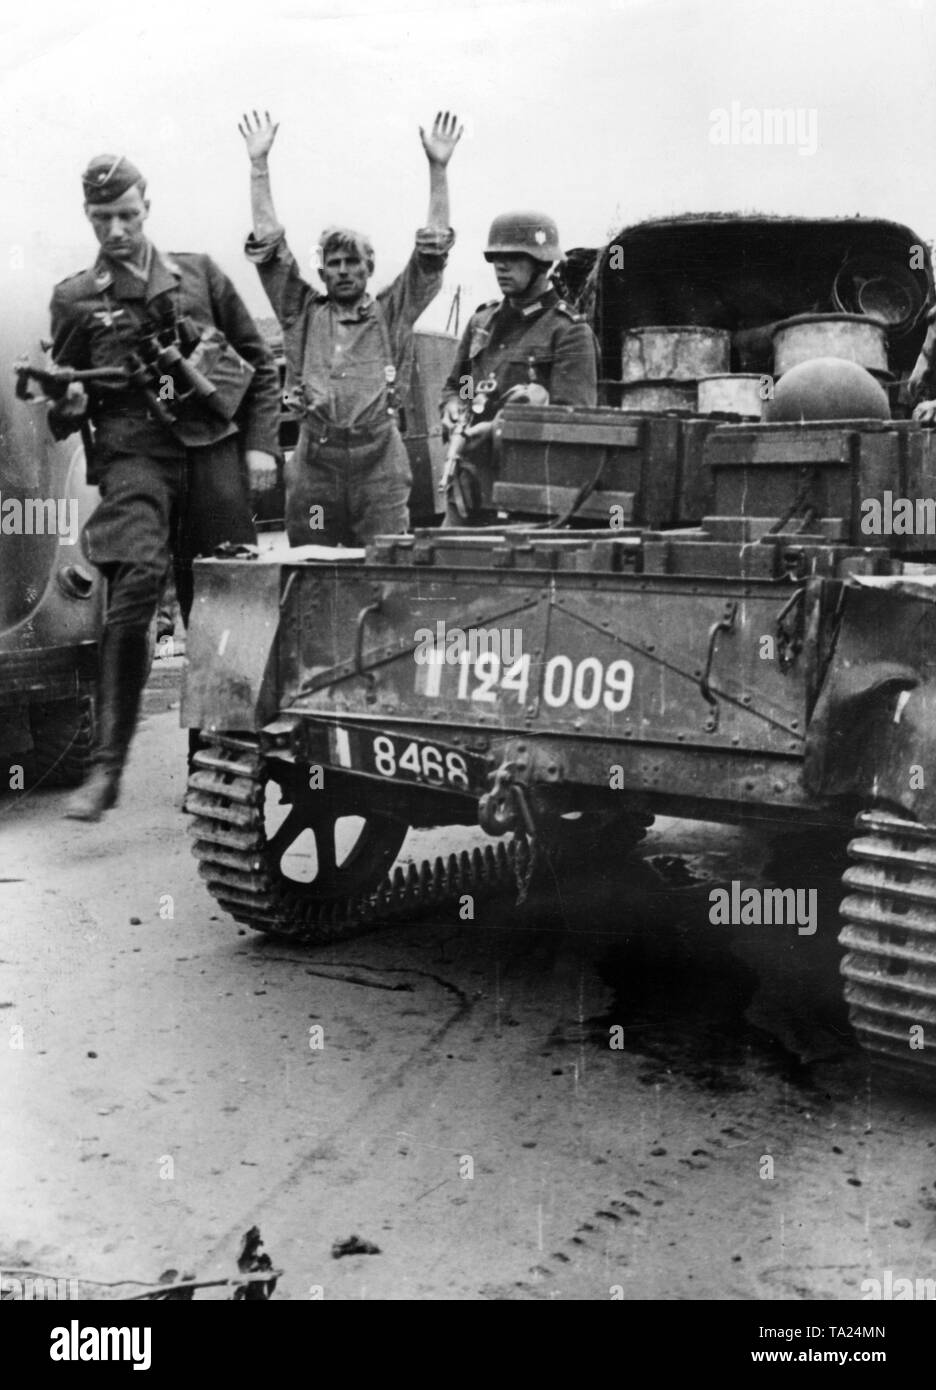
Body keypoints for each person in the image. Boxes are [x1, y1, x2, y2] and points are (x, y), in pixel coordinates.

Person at [47, 153, 282, 820]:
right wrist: (64, 400)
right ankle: (106, 768)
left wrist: (262, 443)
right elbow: (67, 407)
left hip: (211, 452)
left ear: (146, 206)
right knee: (134, 588)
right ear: (88, 216)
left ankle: (211, 766)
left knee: (221, 603)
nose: (115, 230)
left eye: (126, 215)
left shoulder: (199, 272)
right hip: (133, 457)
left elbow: (258, 362)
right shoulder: (75, 298)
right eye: (101, 218)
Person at [239, 108, 460, 546]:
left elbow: (432, 251)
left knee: (382, 569)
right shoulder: (301, 313)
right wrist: (258, 167)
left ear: (368, 267)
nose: (343, 271)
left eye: (352, 263)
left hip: (378, 466)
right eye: (334, 264)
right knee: (311, 569)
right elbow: (268, 247)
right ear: (322, 272)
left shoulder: (391, 313)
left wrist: (438, 169)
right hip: (316, 470)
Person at [439, 211, 599, 525]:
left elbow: (573, 420)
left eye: (514, 257)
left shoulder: (568, 331)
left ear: (543, 263)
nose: (501, 265)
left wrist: (501, 429)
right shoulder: (481, 323)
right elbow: (460, 385)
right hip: (470, 484)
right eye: (496, 256)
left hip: (531, 492)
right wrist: (454, 406)